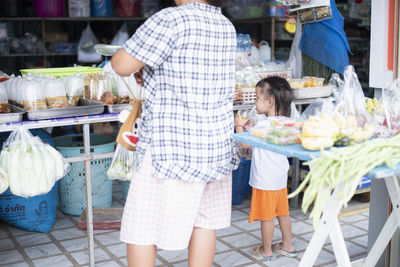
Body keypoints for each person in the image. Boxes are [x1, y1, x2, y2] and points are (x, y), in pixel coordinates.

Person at [111, 1, 238, 267]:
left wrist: (142, 68)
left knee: (141, 225)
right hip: (215, 144)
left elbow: (121, 64)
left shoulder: (170, 19)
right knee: (204, 222)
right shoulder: (225, 25)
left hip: (171, 145)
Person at [235, 76, 297, 261]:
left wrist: (239, 126)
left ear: (270, 102)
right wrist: (251, 128)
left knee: (267, 216)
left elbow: (245, 145)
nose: (255, 103)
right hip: (279, 178)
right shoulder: (287, 123)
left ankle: (266, 249)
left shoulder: (262, 125)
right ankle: (288, 244)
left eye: (257, 98)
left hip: (264, 179)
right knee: (283, 213)